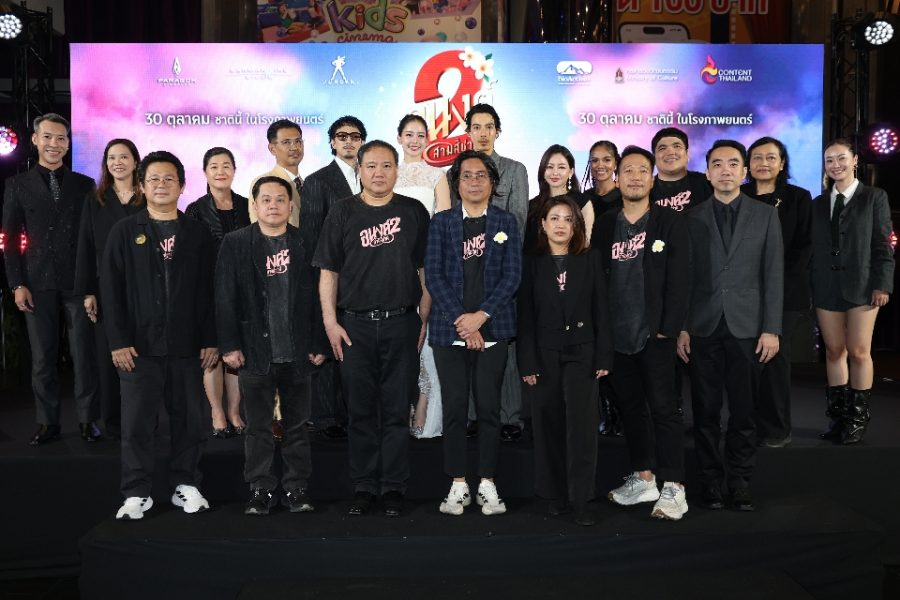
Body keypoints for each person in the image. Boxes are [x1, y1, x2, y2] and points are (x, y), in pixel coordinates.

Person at [313, 140, 430, 517]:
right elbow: (328, 271)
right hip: (354, 327)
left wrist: (423, 317)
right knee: (360, 411)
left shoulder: (413, 211)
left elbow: (425, 270)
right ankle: (363, 486)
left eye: (386, 166)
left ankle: (393, 487)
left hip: (402, 323)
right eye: (371, 166)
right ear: (359, 170)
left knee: (397, 410)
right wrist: (330, 322)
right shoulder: (342, 212)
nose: (379, 173)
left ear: (397, 170)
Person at [101, 151, 218, 520]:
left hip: (187, 346)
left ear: (182, 186)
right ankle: (137, 492)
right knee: (137, 423)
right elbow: (110, 291)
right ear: (141, 186)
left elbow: (210, 292)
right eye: (153, 179)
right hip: (138, 348)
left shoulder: (198, 234)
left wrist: (211, 339)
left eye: (169, 179)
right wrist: (118, 341)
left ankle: (186, 484)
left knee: (190, 420)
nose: (161, 185)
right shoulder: (124, 232)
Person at [677, 140, 783, 513]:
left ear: (744, 171)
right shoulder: (690, 218)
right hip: (702, 327)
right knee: (705, 411)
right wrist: (683, 327)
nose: (725, 170)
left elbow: (773, 274)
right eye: (718, 164)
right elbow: (684, 278)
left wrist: (771, 328)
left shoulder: (765, 215)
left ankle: (739, 481)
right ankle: (710, 481)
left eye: (733, 164)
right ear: (707, 173)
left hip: (748, 328)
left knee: (743, 411)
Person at [215, 176, 327, 516]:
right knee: (258, 428)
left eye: (280, 199)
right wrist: (229, 345)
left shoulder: (307, 242)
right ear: (254, 205)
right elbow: (224, 298)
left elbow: (321, 298)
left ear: (291, 206)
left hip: (298, 352)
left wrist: (319, 341)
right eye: (266, 199)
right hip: (253, 352)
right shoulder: (235, 243)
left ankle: (296, 488)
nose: (274, 205)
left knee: (297, 427)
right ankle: (260, 489)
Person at [594, 146, 690, 521]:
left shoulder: (669, 221)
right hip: (617, 336)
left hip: (655, 335)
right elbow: (596, 280)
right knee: (631, 409)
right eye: (628, 170)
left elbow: (681, 278)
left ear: (652, 179)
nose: (635, 177)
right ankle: (644, 477)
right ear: (617, 178)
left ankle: (674, 486)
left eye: (642, 171)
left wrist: (669, 328)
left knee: (665, 410)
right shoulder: (606, 223)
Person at [426, 149, 521, 517]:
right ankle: (457, 483)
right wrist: (463, 322)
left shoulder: (506, 222)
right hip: (449, 331)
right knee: (454, 408)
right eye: (466, 175)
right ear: (456, 183)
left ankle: (487, 482)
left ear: (492, 182)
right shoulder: (441, 222)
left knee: (488, 408)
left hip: (493, 328)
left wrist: (480, 317)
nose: (474, 181)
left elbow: (512, 276)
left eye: (481, 175)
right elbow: (434, 276)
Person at [3, 113, 100, 445]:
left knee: (84, 355)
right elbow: (9, 239)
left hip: (78, 281)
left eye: (61, 138)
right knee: (43, 358)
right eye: (47, 137)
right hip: (36, 280)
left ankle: (88, 421)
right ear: (35, 140)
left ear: (68, 144)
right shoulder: (17, 185)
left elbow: (92, 238)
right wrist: (17, 284)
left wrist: (91, 285)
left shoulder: (84, 185)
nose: (54, 144)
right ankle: (48, 423)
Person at [518, 195, 610, 526]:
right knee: (548, 426)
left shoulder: (590, 258)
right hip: (544, 354)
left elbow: (602, 309)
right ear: (542, 225)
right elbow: (525, 316)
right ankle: (555, 495)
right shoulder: (531, 262)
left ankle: (581, 498)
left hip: (583, 352)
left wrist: (603, 355)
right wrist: (527, 362)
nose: (561, 225)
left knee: (582, 429)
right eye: (554, 218)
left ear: (576, 226)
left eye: (568, 219)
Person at [811, 139, 894, 445]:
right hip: (826, 286)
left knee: (859, 351)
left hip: (863, 286)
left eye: (841, 158)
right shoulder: (818, 203)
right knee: (834, 351)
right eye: (829, 160)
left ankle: (858, 420)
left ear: (855, 160)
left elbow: (883, 243)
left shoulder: (874, 197)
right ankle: (838, 417)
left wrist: (882, 283)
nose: (835, 165)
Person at [458, 103, 528, 442]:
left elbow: (519, 222)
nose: (483, 133)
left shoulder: (514, 170)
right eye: (476, 126)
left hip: (503, 272)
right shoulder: (457, 171)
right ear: (468, 132)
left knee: (504, 344)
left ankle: (509, 416)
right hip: (466, 271)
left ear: (497, 131)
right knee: (469, 342)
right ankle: (473, 416)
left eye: (489, 126)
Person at [741, 137, 813, 448]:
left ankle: (777, 429)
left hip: (785, 292)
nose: (764, 163)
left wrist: (772, 279)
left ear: (782, 163)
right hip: (744, 292)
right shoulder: (739, 195)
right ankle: (746, 425)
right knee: (746, 361)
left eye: (771, 157)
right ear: (748, 164)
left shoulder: (798, 198)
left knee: (774, 360)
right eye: (757, 157)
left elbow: (804, 247)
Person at [302, 115, 368, 439]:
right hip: (330, 276)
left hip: (366, 280)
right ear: (332, 142)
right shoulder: (318, 181)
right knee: (329, 347)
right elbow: (312, 239)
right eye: (342, 136)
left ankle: (356, 414)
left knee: (356, 349)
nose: (348, 141)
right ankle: (328, 418)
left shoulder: (373, 177)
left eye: (354, 136)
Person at [75, 138, 143, 440]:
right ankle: (113, 422)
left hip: (145, 288)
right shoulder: (96, 199)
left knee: (144, 358)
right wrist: (88, 291)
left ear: (135, 161)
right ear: (106, 163)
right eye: (112, 157)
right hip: (107, 289)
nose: (118, 162)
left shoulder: (147, 196)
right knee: (107, 359)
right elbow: (86, 246)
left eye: (124, 156)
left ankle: (144, 420)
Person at [185, 147, 250, 438]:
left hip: (242, 290)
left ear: (234, 170)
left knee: (236, 355)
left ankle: (235, 412)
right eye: (214, 166)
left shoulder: (247, 205)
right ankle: (217, 413)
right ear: (205, 172)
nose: (220, 171)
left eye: (226, 166)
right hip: (208, 289)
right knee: (212, 354)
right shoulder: (195, 209)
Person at [394, 113, 451, 438]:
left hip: (429, 263)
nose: (414, 140)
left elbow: (444, 224)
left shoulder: (437, 176)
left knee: (426, 343)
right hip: (391, 266)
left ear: (427, 140)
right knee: (399, 346)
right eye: (409, 134)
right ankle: (399, 415)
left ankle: (424, 417)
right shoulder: (387, 172)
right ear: (399, 138)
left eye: (420, 135)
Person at [580, 140, 624, 437]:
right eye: (594, 160)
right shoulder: (583, 200)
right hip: (590, 281)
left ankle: (622, 412)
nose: (600, 166)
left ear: (616, 163)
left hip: (621, 280)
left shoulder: (627, 197)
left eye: (606, 159)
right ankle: (605, 412)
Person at [523, 144, 593, 253]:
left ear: (571, 172)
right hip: (534, 262)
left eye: (561, 167)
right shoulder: (531, 205)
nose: (555, 172)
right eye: (549, 167)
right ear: (543, 171)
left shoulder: (582, 202)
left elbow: (585, 242)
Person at [249, 119, 303, 228]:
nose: (294, 147)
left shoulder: (309, 184)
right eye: (286, 142)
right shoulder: (263, 183)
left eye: (298, 141)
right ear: (272, 149)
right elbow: (260, 228)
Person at [650, 127, 712, 212]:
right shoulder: (645, 188)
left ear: (687, 154)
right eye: (662, 148)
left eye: (677, 146)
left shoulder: (708, 183)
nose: (670, 152)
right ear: (654, 157)